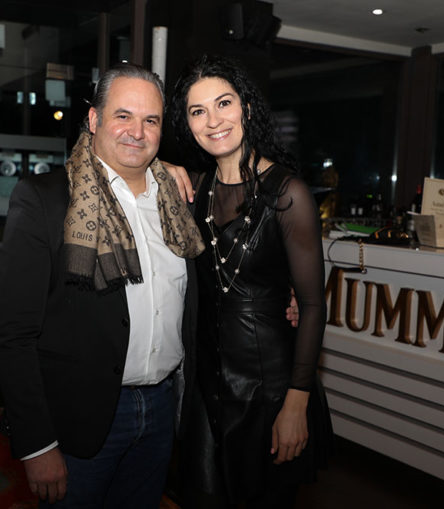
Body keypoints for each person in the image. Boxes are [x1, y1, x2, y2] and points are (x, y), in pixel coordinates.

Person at [0, 63, 206, 508]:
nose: (137, 132)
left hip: (162, 409)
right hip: (79, 419)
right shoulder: (45, 199)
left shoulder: (179, 201)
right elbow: (12, 333)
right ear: (94, 119)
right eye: (123, 116)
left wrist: (285, 293)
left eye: (150, 120)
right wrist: (37, 443)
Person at [168, 54, 333, 508]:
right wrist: (163, 166)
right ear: (187, 124)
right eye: (198, 111)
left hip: (270, 388)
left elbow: (313, 306)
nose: (213, 121)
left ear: (247, 107)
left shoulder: (288, 193)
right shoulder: (193, 189)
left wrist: (296, 402)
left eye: (224, 103)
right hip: (206, 385)